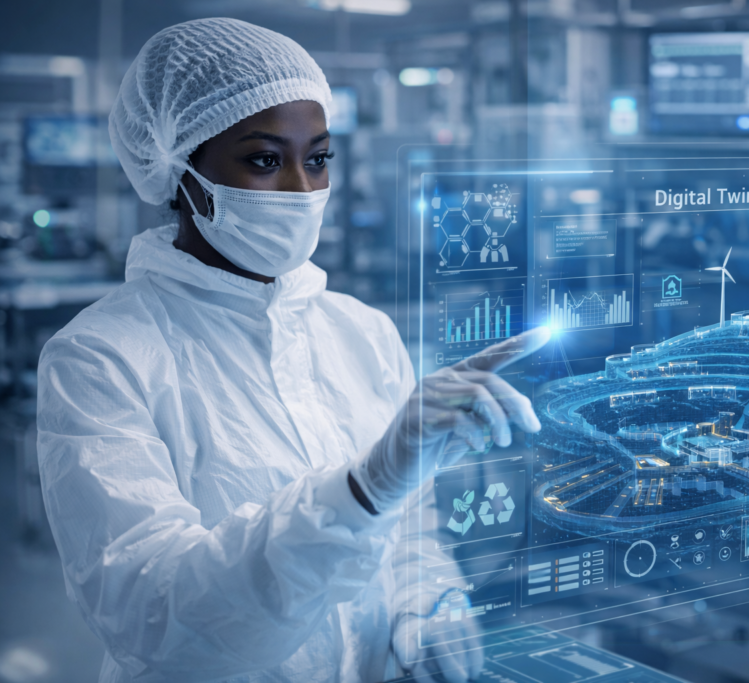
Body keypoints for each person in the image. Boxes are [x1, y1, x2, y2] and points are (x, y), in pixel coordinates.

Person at [36, 17, 549, 683]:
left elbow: (410, 529)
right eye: (264, 159)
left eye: (319, 158)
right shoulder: (100, 360)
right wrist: (359, 490)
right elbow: (152, 611)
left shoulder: (361, 333)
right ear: (178, 169)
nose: (304, 190)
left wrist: (427, 600)